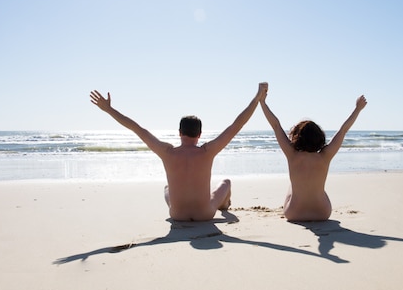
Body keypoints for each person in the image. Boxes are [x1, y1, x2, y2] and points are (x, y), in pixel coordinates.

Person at [90, 82, 268, 221]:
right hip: (204, 214)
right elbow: (237, 125)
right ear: (199, 134)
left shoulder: (167, 152)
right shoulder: (207, 151)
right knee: (226, 182)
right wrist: (257, 98)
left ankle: (193, 201)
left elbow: (137, 128)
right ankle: (225, 203)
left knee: (167, 188)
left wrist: (109, 109)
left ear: (179, 133)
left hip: (177, 214)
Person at [259, 91, 367, 221]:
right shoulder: (325, 156)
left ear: (297, 137)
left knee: (292, 186)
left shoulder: (292, 154)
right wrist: (357, 109)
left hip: (294, 213)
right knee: (319, 189)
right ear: (319, 137)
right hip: (322, 213)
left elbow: (276, 125)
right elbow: (343, 130)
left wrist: (263, 103)